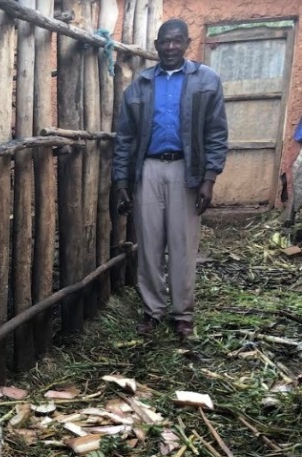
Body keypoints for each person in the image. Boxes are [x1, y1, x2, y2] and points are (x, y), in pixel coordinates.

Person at [113, 18, 228, 340]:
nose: (170, 47)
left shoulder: (207, 81)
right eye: (165, 42)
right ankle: (152, 311)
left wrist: (209, 178)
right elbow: (125, 138)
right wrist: (122, 182)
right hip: (148, 170)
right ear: (156, 46)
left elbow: (217, 132)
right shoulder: (140, 85)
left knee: (182, 245)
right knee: (149, 245)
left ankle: (182, 315)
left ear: (187, 43)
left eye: (177, 41)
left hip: (185, 171)